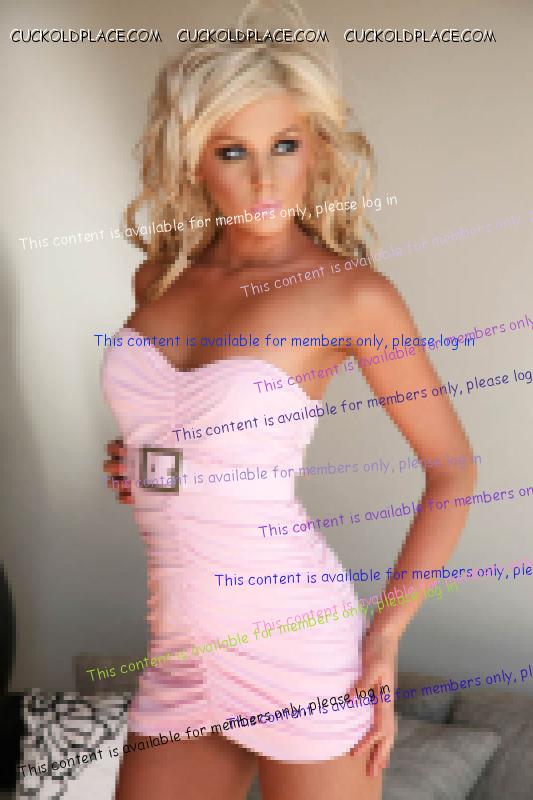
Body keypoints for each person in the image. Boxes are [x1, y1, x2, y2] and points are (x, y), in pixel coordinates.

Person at [102, 5, 476, 798]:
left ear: (317, 149)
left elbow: (452, 470)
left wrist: (385, 638)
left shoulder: (352, 295)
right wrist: (145, 463)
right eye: (231, 151)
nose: (263, 180)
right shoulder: (160, 278)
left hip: (297, 646)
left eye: (284, 145)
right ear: (191, 160)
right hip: (179, 648)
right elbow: (179, 432)